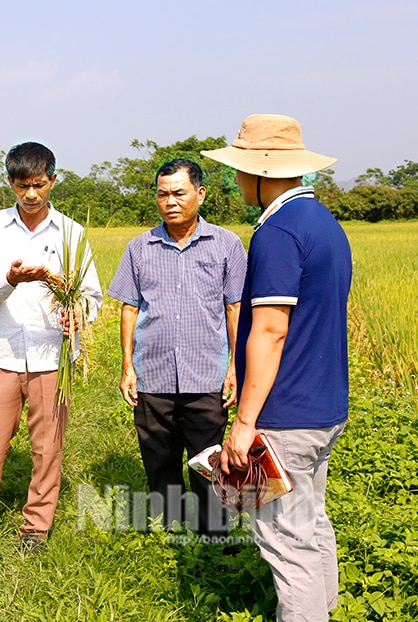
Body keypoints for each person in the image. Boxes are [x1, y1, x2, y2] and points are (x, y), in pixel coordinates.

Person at [202, 114, 351, 621]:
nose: (236, 179)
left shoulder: (278, 232)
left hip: (285, 414)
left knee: (287, 544)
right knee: (310, 522)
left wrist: (243, 425)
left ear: (262, 170)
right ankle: (325, 610)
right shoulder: (325, 224)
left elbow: (270, 330)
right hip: (325, 407)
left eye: (239, 169)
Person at [0, 141, 103, 553]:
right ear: (10, 183)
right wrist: (10, 279)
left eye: (39, 185)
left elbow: (91, 296)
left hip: (51, 355)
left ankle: (36, 528)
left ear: (53, 181)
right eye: (23, 185)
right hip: (4, 353)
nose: (31, 194)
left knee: (47, 446)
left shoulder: (71, 233)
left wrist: (77, 312)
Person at [107, 158, 246, 539]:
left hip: (207, 372)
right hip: (153, 372)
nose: (170, 201)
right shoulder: (140, 247)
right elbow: (129, 308)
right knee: (159, 456)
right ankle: (172, 524)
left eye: (179, 193)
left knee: (210, 458)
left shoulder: (227, 244)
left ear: (200, 195)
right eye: (162, 194)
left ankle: (214, 535)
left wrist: (236, 366)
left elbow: (235, 308)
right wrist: (127, 366)